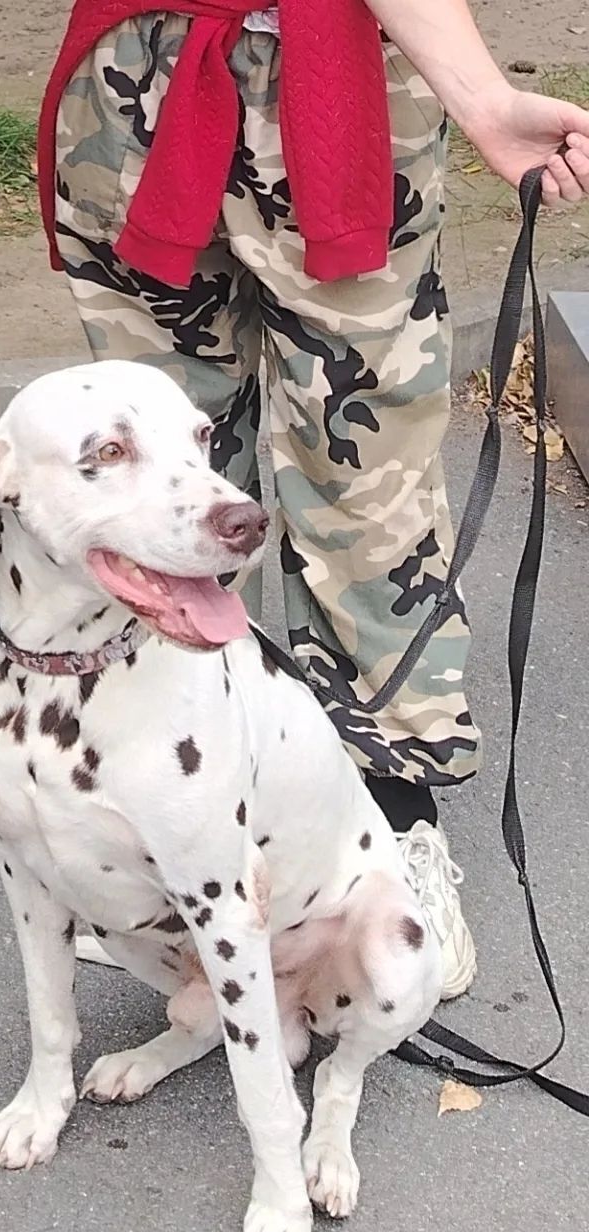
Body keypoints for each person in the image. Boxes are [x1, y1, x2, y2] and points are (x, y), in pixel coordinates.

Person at [37, 0, 589, 999]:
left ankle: (386, 833)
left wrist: (479, 98)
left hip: (341, 83)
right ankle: (180, 845)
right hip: (137, 71)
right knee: (160, 483)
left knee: (365, 483)